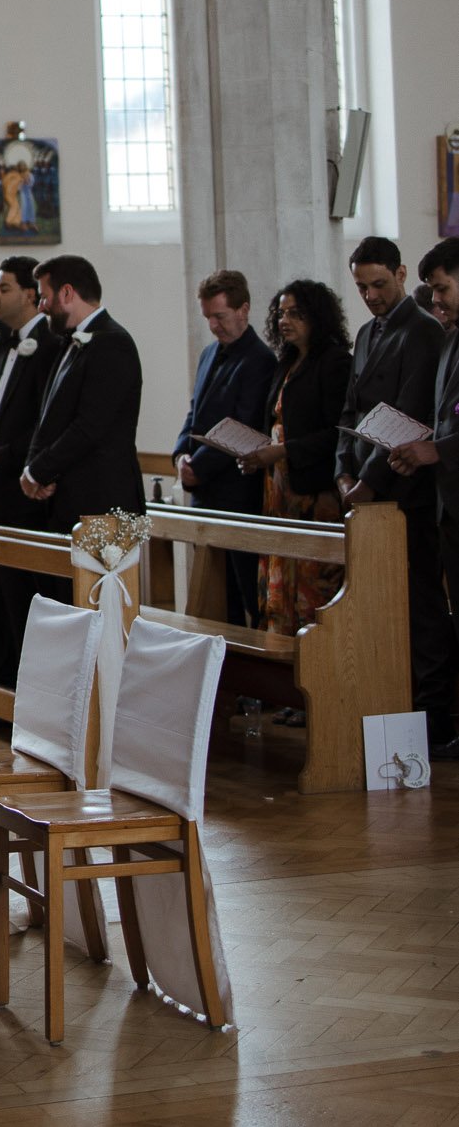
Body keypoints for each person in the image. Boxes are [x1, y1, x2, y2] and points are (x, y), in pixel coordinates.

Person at [336, 235, 452, 749]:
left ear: (401, 275)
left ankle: (432, 717)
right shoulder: (364, 335)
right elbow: (351, 411)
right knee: (380, 609)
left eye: (380, 284)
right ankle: (392, 711)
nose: (371, 296)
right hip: (364, 487)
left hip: (407, 494)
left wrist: (369, 482)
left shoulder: (423, 332)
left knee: (421, 609)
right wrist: (343, 472)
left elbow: (408, 417)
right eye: (362, 287)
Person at [238, 281, 352, 639]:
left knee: (311, 584)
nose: (285, 320)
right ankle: (279, 669)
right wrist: (257, 456)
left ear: (317, 317)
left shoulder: (334, 361)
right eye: (281, 313)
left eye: (295, 314)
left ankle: (314, 667)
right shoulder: (286, 361)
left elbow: (338, 431)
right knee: (278, 579)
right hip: (277, 487)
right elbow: (275, 422)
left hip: (312, 491)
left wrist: (283, 451)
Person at [0, 254, 63, 684]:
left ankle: (30, 688)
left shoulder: (47, 345)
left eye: (3, 288)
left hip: (25, 497)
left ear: (30, 294)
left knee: (27, 599)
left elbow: (46, 426)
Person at [171, 270, 277, 625]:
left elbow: (243, 425)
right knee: (215, 597)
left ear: (243, 309)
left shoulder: (260, 360)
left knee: (247, 591)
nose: (214, 326)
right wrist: (180, 455)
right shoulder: (207, 354)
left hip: (237, 493)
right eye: (209, 318)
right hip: (205, 492)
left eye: (220, 316)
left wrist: (197, 468)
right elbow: (195, 412)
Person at [388, 239, 459, 760]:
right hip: (449, 504)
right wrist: (419, 449)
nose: (437, 301)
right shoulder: (451, 339)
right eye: (434, 290)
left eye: (443, 288)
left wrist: (438, 451)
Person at [21, 254, 144, 530]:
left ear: (66, 292)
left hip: (102, 505)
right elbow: (48, 418)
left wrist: (37, 471)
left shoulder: (114, 344)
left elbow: (90, 427)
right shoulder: (69, 343)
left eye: (44, 296)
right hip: (69, 502)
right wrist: (33, 469)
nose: (41, 307)